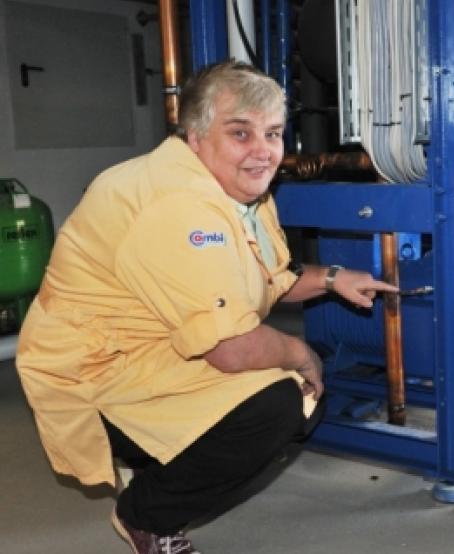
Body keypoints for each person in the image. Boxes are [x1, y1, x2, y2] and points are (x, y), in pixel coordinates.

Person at [15, 60, 397, 554]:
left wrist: (334, 277)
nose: (263, 152)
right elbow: (232, 347)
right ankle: (146, 514)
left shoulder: (241, 194)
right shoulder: (180, 204)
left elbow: (267, 281)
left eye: (274, 133)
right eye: (241, 133)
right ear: (195, 138)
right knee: (280, 403)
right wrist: (302, 353)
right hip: (94, 374)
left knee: (291, 394)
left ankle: (160, 461)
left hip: (156, 349)